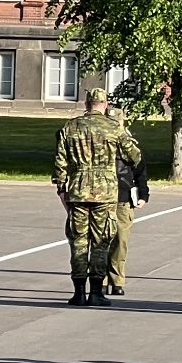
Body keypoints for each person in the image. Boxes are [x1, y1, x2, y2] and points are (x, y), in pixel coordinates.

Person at [53, 87, 126, 307]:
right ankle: (96, 291)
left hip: (78, 190)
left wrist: (61, 188)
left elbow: (60, 162)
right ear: (105, 105)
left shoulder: (71, 127)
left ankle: (78, 292)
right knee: (101, 241)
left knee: (79, 242)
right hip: (105, 192)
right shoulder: (114, 127)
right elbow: (133, 155)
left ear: (87, 104)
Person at [104, 106, 150, 295]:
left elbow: (140, 170)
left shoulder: (130, 144)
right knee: (101, 240)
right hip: (102, 197)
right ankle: (100, 280)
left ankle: (117, 280)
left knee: (120, 242)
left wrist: (143, 194)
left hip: (124, 198)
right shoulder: (99, 142)